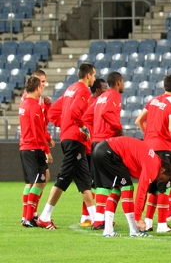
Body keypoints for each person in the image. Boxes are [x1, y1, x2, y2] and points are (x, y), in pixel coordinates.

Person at [38, 63, 97, 230]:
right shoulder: (83, 90)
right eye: (93, 75)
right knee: (64, 178)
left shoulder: (70, 89)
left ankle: (95, 219)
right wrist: (82, 127)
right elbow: (76, 112)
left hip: (68, 137)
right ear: (88, 76)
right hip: (75, 139)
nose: (93, 78)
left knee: (84, 180)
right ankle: (44, 216)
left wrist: (63, 125)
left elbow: (53, 113)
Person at [135, 74, 171, 233]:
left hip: (148, 148)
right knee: (164, 187)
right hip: (164, 149)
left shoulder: (153, 100)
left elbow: (139, 121)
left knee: (153, 186)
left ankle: (148, 222)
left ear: (163, 86)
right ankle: (161, 224)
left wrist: (149, 136)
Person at [91, 136, 171, 237]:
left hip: (102, 149)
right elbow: (141, 191)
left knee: (117, 190)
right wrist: (138, 218)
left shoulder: (155, 160)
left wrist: (139, 215)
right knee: (127, 187)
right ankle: (134, 231)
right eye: (162, 178)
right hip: (109, 153)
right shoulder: (153, 167)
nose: (159, 181)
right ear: (162, 170)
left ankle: (108, 230)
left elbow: (143, 193)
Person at [83, 73, 124, 229]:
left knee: (102, 183)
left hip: (96, 142)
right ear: (119, 82)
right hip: (108, 143)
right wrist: (117, 127)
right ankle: (105, 218)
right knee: (121, 183)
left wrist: (97, 131)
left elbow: (87, 116)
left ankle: (100, 220)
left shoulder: (101, 97)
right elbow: (106, 112)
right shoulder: (113, 95)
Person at [20, 70, 54, 225]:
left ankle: (28, 215)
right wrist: (46, 150)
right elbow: (38, 129)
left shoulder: (25, 103)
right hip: (33, 147)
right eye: (41, 83)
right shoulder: (33, 105)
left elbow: (40, 125)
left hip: (26, 146)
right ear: (37, 87)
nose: (43, 85)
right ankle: (28, 217)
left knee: (33, 181)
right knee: (39, 181)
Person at [77, 78, 105, 227]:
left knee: (91, 184)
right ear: (99, 90)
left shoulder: (91, 101)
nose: (107, 90)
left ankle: (88, 216)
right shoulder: (95, 103)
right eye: (105, 88)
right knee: (94, 184)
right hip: (91, 147)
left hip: (90, 146)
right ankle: (91, 216)